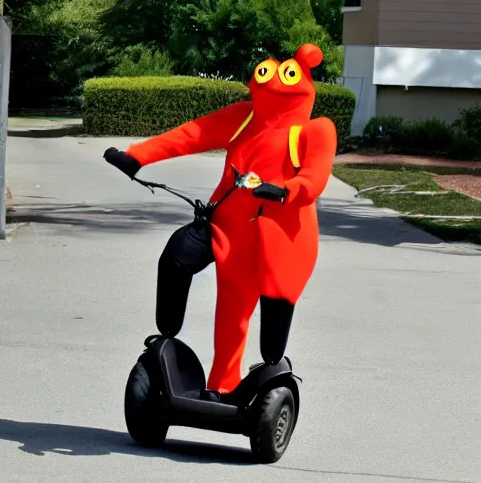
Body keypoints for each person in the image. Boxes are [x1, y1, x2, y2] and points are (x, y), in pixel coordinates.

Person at [104, 43, 337, 400]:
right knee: (183, 263)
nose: (272, 82)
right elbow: (192, 134)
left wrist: (285, 191)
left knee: (269, 319)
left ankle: (268, 374)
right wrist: (137, 157)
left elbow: (315, 177)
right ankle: (191, 360)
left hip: (280, 242)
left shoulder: (314, 130)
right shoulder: (244, 116)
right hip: (226, 229)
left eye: (287, 74)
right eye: (265, 74)